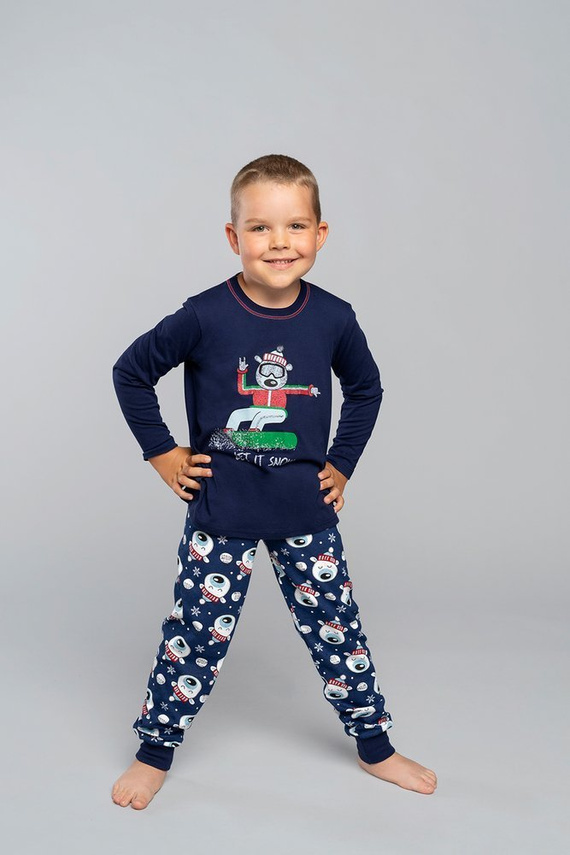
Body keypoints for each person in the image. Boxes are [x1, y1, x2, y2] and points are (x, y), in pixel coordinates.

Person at [111, 154, 437, 809]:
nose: (279, 242)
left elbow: (366, 390)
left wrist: (342, 463)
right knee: (194, 637)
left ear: (320, 233)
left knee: (337, 631)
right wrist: (162, 453)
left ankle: (375, 746)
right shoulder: (204, 315)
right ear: (234, 237)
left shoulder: (334, 318)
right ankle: (155, 750)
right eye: (260, 228)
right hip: (221, 512)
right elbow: (130, 372)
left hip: (304, 513)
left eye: (295, 226)